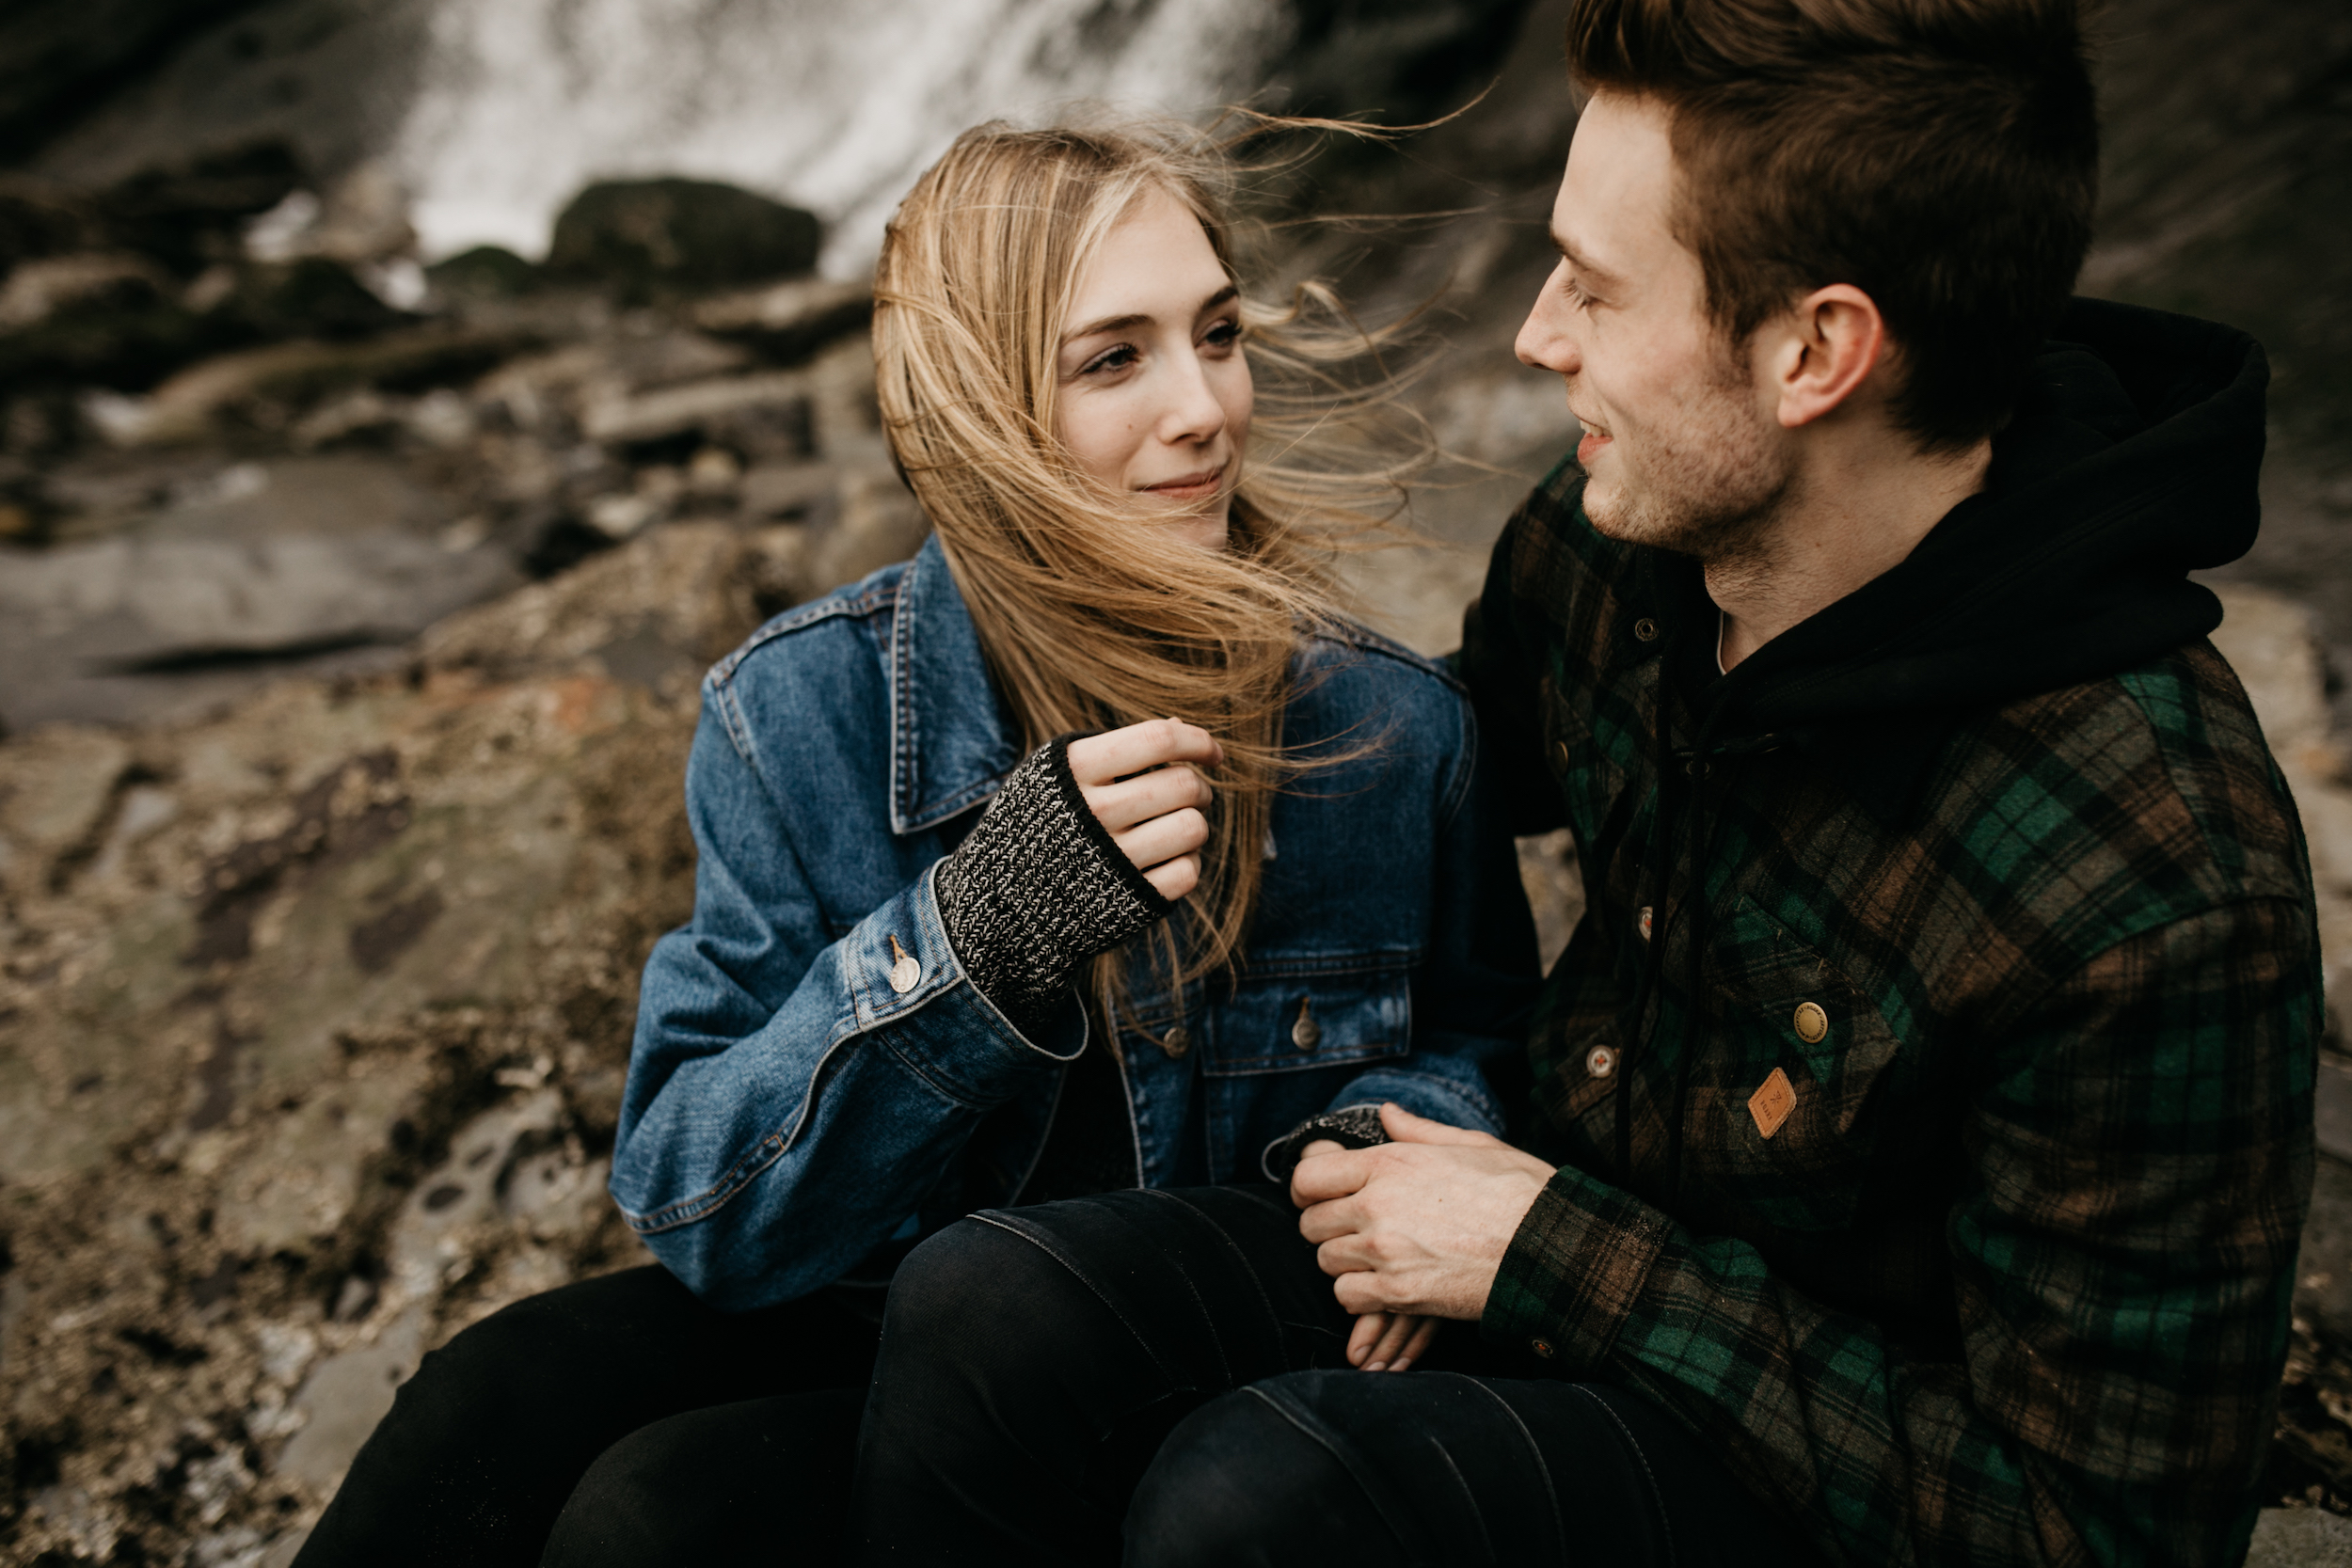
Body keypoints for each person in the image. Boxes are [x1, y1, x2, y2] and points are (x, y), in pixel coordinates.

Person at [850, 0, 2326, 1562]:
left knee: (1264, 1499)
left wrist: (1558, 1254)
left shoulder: (2156, 873)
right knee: (992, 1302)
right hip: (1509, 1230)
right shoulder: (1619, 545)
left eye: (1598, 290)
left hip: (1815, 1462)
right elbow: (1418, 781)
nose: (1538, 333)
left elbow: (2100, 1535)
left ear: (1815, 351)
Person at [287, 120, 1539, 1567]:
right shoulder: (796, 711)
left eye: (1217, 332)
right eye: (1113, 358)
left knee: (654, 1522)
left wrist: (1379, 1141)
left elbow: (1487, 1033)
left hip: (1170, 1355)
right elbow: (700, 1202)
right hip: (883, 1305)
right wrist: (981, 935)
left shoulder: (1388, 728)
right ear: (980, 406)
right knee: (487, 1402)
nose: (1204, 407)